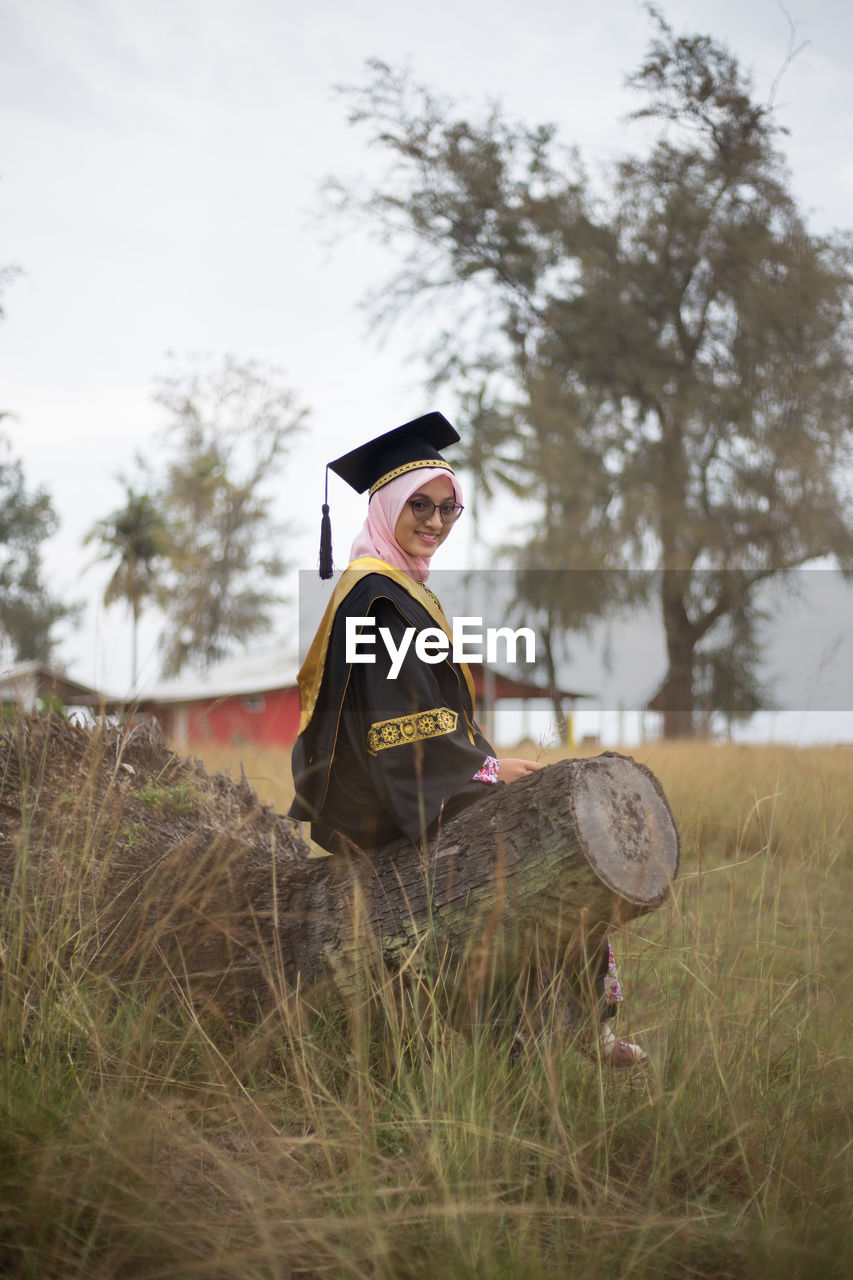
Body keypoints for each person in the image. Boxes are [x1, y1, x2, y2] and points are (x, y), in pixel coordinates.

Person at [289, 412, 646, 1067]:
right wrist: (479, 777)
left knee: (535, 804)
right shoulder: (378, 598)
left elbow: (430, 717)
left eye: (448, 508)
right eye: (418, 505)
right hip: (380, 798)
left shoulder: (394, 589)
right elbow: (396, 729)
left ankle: (564, 1020)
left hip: (399, 781)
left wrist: (487, 760)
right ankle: (563, 1024)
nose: (434, 520)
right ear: (386, 506)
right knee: (543, 835)